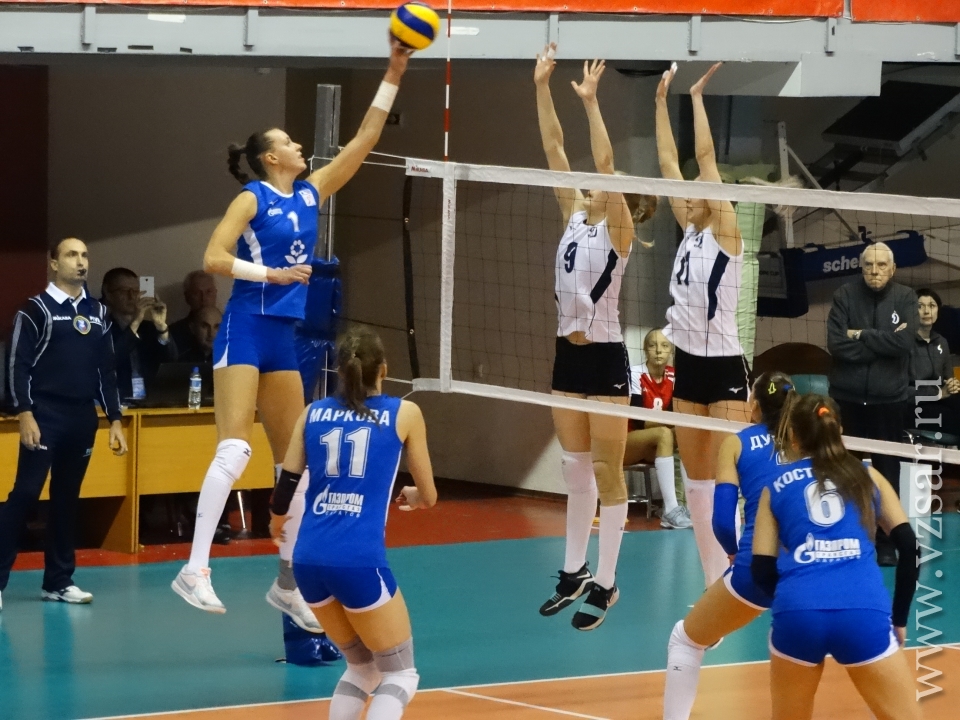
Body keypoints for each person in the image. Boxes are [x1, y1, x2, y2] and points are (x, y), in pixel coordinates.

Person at [172, 38, 412, 628]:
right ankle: (195, 569)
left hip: (284, 335)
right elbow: (212, 257)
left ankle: (286, 583)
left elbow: (364, 141)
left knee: (296, 467)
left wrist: (394, 70)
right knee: (235, 448)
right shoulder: (252, 198)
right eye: (288, 141)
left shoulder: (311, 191)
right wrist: (272, 274)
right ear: (270, 157)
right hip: (246, 328)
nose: (299, 145)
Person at [534, 44, 658, 630]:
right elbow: (553, 149)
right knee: (573, 469)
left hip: (607, 360)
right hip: (567, 358)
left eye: (612, 186)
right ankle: (573, 571)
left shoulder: (619, 232)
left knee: (608, 473)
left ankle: (607, 584)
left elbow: (605, 163)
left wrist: (591, 103)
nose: (599, 184)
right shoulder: (574, 216)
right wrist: (542, 87)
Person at [270, 328, 436, 720]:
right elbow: (428, 495)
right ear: (384, 370)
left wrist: (277, 522)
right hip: (358, 560)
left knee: (362, 667)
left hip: (307, 561)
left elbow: (285, 487)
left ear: (340, 372)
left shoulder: (312, 413)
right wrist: (414, 496)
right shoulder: (405, 413)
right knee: (400, 673)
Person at [751, 394, 921, 720]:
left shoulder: (774, 487)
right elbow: (910, 548)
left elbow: (760, 568)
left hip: (797, 613)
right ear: (839, 430)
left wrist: (793, 603)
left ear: (792, 436)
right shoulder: (869, 477)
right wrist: (899, 619)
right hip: (863, 611)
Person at [655, 62, 750, 588]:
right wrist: (659, 101)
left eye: (696, 193)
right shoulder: (689, 229)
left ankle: (740, 572)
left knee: (727, 476)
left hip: (726, 367)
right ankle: (714, 581)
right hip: (689, 364)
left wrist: (695, 97)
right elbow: (669, 162)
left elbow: (704, 160)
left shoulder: (726, 232)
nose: (687, 197)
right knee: (696, 481)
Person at [1, 238, 128, 610]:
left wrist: (115, 419)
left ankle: (58, 581)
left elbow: (106, 371)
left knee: (67, 498)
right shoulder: (34, 311)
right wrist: (25, 413)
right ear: (53, 263)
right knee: (26, 493)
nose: (80, 261)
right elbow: (17, 366)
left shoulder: (98, 312)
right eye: (71, 255)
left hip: (82, 418)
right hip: (44, 416)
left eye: (85, 255)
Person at [662, 371, 793, 720]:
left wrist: (732, 552)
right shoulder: (809, 440)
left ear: (753, 406)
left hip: (758, 568)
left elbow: (721, 519)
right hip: (815, 565)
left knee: (685, 640)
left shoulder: (737, 443)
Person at [826, 242, 918, 565]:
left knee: (887, 473)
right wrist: (882, 342)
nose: (874, 271)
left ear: (892, 269)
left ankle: (886, 543)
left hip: (888, 400)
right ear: (861, 267)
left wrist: (860, 334)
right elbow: (836, 345)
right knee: (840, 470)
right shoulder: (844, 295)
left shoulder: (906, 297)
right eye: (868, 265)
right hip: (847, 399)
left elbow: (904, 343)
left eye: (881, 265)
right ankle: (843, 535)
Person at [625, 328, 691, 529]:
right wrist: (669, 421)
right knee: (665, 433)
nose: (659, 351)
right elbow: (639, 421)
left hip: (654, 445)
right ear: (645, 350)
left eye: (664, 346)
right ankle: (669, 510)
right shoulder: (635, 374)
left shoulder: (675, 377)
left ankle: (691, 506)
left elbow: (677, 416)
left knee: (687, 434)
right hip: (628, 442)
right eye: (653, 346)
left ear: (671, 350)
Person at [101, 267, 178, 402]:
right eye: (124, 291)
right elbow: (111, 360)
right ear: (108, 294)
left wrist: (161, 327)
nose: (131, 296)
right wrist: (135, 322)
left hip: (150, 401)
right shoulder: (100, 327)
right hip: (115, 401)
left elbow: (171, 361)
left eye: (136, 291)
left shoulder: (149, 328)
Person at [910, 288, 960, 437]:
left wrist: (952, 385)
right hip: (914, 404)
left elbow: (948, 379)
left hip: (941, 399)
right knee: (955, 420)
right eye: (920, 306)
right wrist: (938, 394)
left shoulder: (942, 342)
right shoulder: (903, 342)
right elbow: (899, 390)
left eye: (932, 306)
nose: (927, 311)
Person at [170, 270, 219, 359]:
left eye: (208, 292)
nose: (204, 298)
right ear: (187, 297)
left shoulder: (232, 330)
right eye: (197, 293)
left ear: (215, 293)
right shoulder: (174, 333)